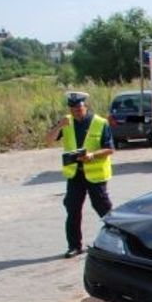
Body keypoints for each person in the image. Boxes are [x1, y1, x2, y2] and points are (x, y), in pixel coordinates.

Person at [46, 92, 115, 258]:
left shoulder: (100, 122)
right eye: (73, 109)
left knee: (103, 209)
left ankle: (117, 240)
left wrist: (92, 155)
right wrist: (58, 126)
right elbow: (48, 141)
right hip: (75, 174)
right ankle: (74, 246)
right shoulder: (66, 122)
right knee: (72, 209)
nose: (76, 112)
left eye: (79, 108)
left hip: (95, 174)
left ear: (86, 107)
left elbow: (110, 149)